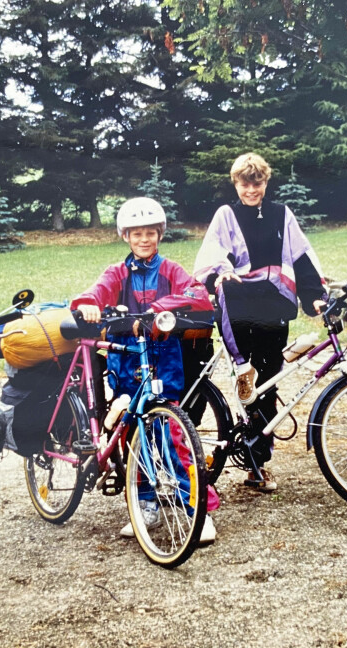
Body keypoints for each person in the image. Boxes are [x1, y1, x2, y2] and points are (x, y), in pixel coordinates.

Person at [70, 197, 220, 543]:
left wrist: (158, 309)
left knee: (172, 433)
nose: (144, 239)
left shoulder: (170, 270)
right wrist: (90, 305)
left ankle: (198, 508)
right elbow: (93, 294)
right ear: (126, 236)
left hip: (163, 363)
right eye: (136, 233)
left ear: (159, 234)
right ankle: (145, 504)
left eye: (150, 233)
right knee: (131, 436)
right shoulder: (116, 273)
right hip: (125, 363)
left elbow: (198, 295)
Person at [194, 153, 327, 492]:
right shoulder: (226, 214)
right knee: (248, 381)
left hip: (273, 306)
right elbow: (212, 253)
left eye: (257, 182)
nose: (251, 189)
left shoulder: (282, 214)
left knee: (268, 382)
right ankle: (242, 382)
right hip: (239, 305)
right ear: (235, 184)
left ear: (266, 182)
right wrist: (220, 275)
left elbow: (301, 256)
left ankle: (257, 463)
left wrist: (313, 294)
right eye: (244, 183)